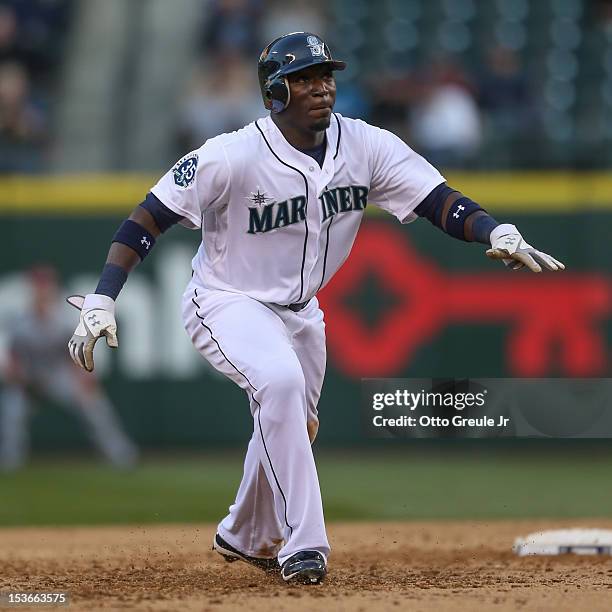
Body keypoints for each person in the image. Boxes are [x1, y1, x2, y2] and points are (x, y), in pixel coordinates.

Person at [67, 32, 564, 584]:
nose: (320, 87)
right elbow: (148, 217)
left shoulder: (366, 145)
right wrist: (105, 295)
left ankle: (245, 534)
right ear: (274, 92)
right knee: (278, 385)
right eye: (303, 78)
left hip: (302, 311)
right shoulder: (231, 155)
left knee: (294, 421)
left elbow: (437, 201)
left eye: (325, 75)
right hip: (228, 299)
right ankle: (305, 544)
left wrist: (495, 229)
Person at [0, 265, 138, 470]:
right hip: (29, 375)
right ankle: (10, 461)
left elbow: (77, 350)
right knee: (12, 411)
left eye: (45, 285)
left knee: (93, 405)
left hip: (58, 373)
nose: (41, 290)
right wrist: (17, 375)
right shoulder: (20, 319)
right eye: (37, 286)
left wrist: (84, 378)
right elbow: (13, 356)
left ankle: (120, 454)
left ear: (52, 288)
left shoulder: (63, 317)